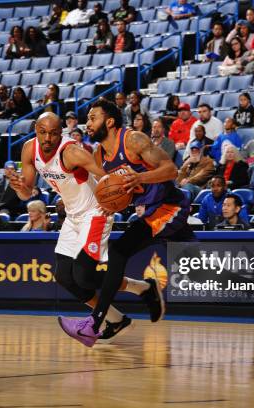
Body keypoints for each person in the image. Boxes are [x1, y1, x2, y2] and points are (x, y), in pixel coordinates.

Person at [9, 112, 163, 344]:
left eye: (53, 133)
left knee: (83, 276)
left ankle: (142, 290)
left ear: (61, 132)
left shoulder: (72, 152)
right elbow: (26, 192)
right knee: (64, 276)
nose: (48, 138)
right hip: (73, 216)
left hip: (95, 212)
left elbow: (110, 179)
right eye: (43, 132)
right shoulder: (29, 149)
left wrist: (123, 197)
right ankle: (118, 317)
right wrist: (19, 187)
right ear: (35, 130)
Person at [57, 99, 196, 347]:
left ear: (109, 121)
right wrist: (105, 204)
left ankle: (95, 322)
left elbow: (171, 170)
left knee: (119, 253)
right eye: (87, 119)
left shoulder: (133, 140)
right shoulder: (99, 155)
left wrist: (140, 176)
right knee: (201, 263)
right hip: (148, 212)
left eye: (93, 118)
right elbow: (110, 192)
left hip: (169, 207)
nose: (87, 123)